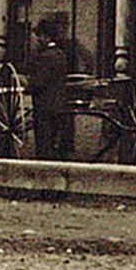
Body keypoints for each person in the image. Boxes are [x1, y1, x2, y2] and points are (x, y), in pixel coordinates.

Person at [22, 11, 84, 164]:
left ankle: (44, 175)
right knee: (55, 142)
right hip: (58, 105)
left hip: (44, 108)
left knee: (44, 146)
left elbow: (38, 83)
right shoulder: (61, 55)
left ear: (46, 37)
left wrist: (24, 83)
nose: (37, 40)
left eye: (40, 36)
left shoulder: (46, 57)